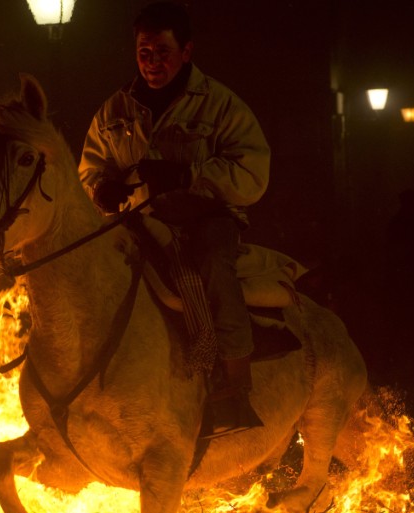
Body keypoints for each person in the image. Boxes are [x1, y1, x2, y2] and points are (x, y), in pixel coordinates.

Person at [79, 1, 272, 438]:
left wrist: (191, 175)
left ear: (186, 52)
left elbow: (253, 173)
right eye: (144, 53)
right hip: (137, 221)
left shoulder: (222, 106)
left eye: (162, 52)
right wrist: (100, 189)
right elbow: (91, 168)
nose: (152, 63)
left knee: (213, 269)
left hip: (206, 218)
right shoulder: (115, 111)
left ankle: (233, 388)